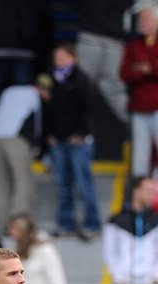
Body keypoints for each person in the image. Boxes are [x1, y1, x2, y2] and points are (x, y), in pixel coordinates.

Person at [0, 0, 52, 159]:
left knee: (3, 105)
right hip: (13, 53)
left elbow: (44, 20)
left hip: (17, 54)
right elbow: (45, 21)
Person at [45, 44, 101, 237]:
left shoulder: (82, 79)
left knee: (83, 182)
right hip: (58, 142)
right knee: (62, 183)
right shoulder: (52, 80)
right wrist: (50, 135)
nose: (58, 60)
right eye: (56, 56)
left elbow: (89, 109)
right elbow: (49, 112)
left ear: (73, 58)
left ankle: (92, 223)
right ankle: (65, 223)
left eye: (62, 56)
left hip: (79, 142)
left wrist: (81, 133)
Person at [121, 4, 158, 178]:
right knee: (139, 160)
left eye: (146, 18)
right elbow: (125, 72)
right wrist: (148, 70)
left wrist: (148, 69)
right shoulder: (133, 45)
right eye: (141, 19)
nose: (142, 22)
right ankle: (139, 202)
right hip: (139, 108)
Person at [0, 76, 46, 224]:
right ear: (41, 89)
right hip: (15, 137)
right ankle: (18, 222)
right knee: (23, 180)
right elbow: (37, 125)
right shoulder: (34, 95)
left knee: (1, 181)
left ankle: (4, 223)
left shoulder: (8, 91)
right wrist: (38, 148)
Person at [76, 0, 131, 123]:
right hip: (113, 43)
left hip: (91, 39)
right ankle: (139, 126)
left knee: (80, 87)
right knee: (116, 92)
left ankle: (74, 131)